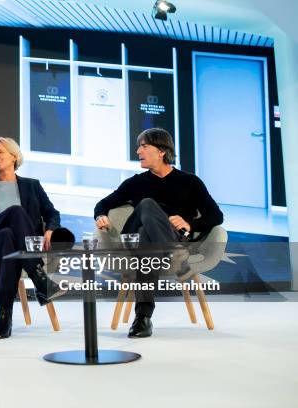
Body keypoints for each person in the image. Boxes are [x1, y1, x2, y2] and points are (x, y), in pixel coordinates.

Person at [94, 128, 223, 339]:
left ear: (162, 151)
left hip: (156, 244)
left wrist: (189, 222)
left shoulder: (190, 182)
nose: (138, 151)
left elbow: (216, 216)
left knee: (147, 240)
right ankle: (174, 254)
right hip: (136, 241)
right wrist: (100, 215)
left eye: (144, 146)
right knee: (146, 205)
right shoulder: (135, 183)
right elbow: (104, 203)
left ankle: (143, 318)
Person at [0, 137, 70, 339]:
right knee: (15, 212)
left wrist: (50, 229)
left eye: (0, 152)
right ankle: (40, 279)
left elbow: (52, 213)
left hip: (11, 245)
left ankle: (4, 317)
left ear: (14, 156)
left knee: (7, 236)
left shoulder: (32, 186)